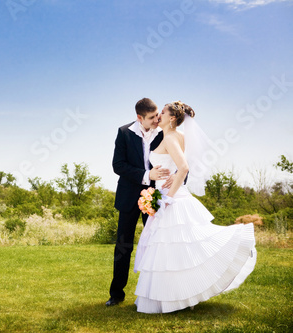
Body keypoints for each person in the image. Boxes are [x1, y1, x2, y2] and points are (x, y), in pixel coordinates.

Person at [133, 101, 257, 313]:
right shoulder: (179, 136)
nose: (158, 116)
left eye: (162, 113)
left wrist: (168, 199)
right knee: (179, 251)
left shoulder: (171, 138)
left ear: (172, 118)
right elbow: (178, 166)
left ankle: (172, 298)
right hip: (171, 194)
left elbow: (184, 167)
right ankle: (179, 296)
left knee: (170, 251)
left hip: (172, 198)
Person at [106, 98, 173, 307]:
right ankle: (116, 294)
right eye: (152, 117)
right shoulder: (124, 132)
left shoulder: (162, 133)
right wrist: (146, 174)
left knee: (155, 245)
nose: (157, 119)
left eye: (157, 116)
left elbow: (178, 160)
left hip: (154, 196)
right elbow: (118, 165)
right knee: (123, 246)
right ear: (139, 117)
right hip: (128, 196)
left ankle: (153, 293)